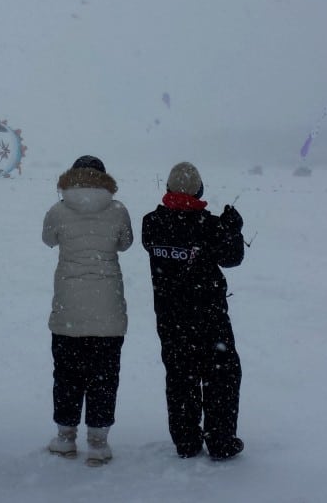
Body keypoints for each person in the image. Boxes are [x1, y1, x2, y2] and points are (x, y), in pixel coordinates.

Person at [140, 162, 245, 461]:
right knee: (221, 376)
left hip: (171, 319)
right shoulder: (209, 226)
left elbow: (158, 242)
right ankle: (221, 441)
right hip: (210, 317)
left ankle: (186, 441)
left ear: (168, 189)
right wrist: (232, 229)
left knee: (180, 378)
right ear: (199, 190)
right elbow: (232, 258)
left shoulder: (151, 223)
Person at [41, 155, 133, 466]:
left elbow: (47, 239)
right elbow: (125, 244)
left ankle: (66, 438)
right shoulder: (118, 211)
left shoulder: (58, 210)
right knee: (104, 377)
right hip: (107, 308)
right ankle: (98, 443)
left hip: (69, 308)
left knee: (66, 375)